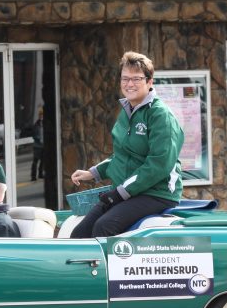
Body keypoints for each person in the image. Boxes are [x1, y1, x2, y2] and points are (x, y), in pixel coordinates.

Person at [70, 51, 184, 238]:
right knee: (79, 233)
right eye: (125, 79)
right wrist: (93, 172)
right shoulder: (127, 111)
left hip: (157, 193)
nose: (129, 84)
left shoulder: (160, 115)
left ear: (149, 82)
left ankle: (107, 268)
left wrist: (121, 192)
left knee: (104, 226)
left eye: (136, 78)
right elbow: (123, 155)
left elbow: (159, 164)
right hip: (130, 191)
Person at [31, 108, 44, 181]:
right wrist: (38, 139)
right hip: (37, 146)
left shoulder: (44, 123)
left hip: (43, 146)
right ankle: (33, 176)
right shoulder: (36, 124)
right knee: (35, 161)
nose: (41, 116)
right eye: (40, 115)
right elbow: (34, 134)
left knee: (43, 161)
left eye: (42, 114)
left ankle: (40, 174)